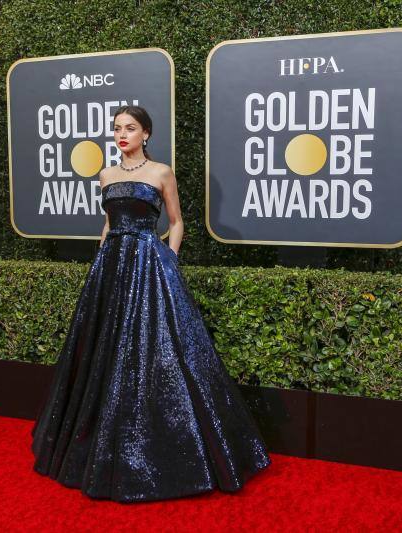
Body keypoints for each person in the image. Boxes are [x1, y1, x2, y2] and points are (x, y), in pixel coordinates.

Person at [31, 105, 270, 503]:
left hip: (149, 263)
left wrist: (170, 259)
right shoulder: (106, 175)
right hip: (110, 269)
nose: (121, 134)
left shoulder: (161, 172)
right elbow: (109, 223)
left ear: (146, 134)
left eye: (130, 128)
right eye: (116, 129)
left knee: (159, 352)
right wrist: (102, 254)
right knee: (104, 352)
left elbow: (176, 221)